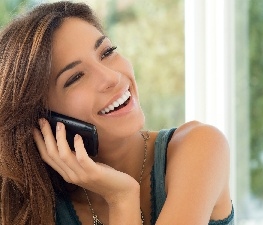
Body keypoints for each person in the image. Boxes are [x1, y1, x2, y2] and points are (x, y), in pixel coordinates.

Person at [0, 1, 234, 225]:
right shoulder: (26, 204)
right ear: (43, 118)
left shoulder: (200, 147)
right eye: (76, 77)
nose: (111, 77)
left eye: (107, 52)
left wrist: (122, 198)